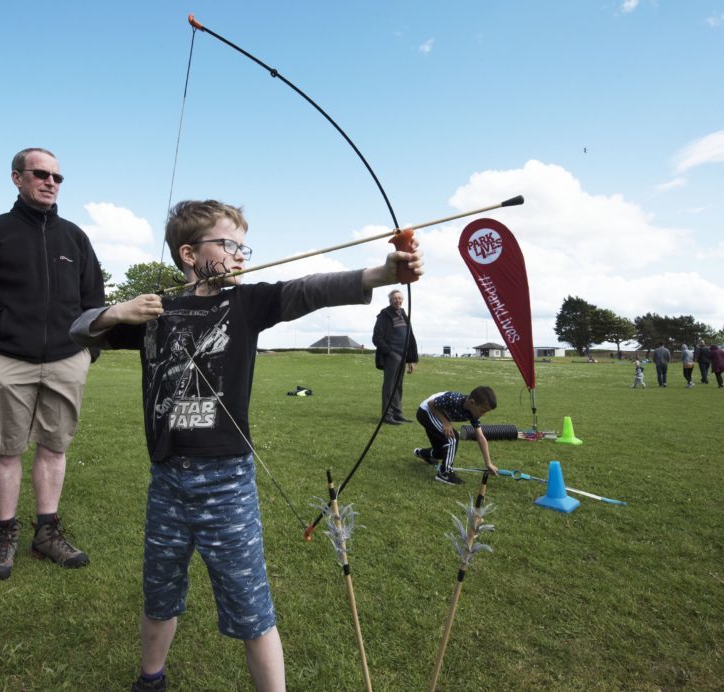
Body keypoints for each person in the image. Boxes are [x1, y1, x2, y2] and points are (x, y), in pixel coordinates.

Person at [69, 199, 423, 692]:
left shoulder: (246, 303)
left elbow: (309, 290)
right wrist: (116, 311)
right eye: (228, 244)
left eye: (242, 246)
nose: (240, 255)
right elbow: (78, 327)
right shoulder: (151, 311)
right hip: (167, 481)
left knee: (250, 605)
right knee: (159, 592)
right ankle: (151, 679)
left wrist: (383, 272)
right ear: (189, 254)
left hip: (226, 481)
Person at [0, 147, 105, 581]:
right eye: (40, 174)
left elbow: (94, 303)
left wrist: (89, 351)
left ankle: (47, 533)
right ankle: (4, 536)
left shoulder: (75, 237)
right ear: (17, 178)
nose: (50, 182)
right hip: (6, 360)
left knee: (55, 448)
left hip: (67, 361)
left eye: (57, 177)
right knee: (7, 450)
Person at [412, 387, 500, 485]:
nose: (483, 414)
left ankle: (422, 453)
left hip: (433, 414)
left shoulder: (473, 413)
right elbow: (431, 404)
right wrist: (445, 422)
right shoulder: (454, 399)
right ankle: (445, 473)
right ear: (472, 402)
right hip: (426, 412)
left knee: (441, 452)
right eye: (482, 411)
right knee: (453, 438)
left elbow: (480, 437)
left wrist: (488, 464)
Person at [372, 289, 419, 424]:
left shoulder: (403, 314)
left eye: (400, 298)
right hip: (392, 356)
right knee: (389, 387)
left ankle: (397, 414)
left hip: (403, 356)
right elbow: (377, 338)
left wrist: (410, 360)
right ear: (390, 300)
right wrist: (390, 352)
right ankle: (387, 416)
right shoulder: (384, 316)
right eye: (395, 298)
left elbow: (410, 337)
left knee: (398, 386)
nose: (398, 300)